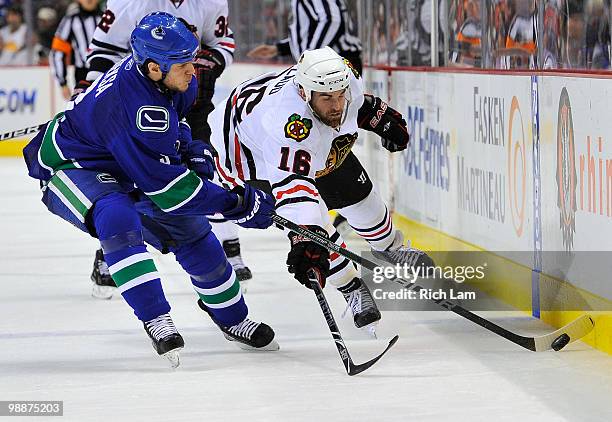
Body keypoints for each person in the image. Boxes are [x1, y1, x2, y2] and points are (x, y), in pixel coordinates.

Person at [22, 12, 279, 367]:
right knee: (117, 216)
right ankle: (155, 316)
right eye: (183, 65)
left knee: (193, 232)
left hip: (123, 157)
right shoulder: (135, 108)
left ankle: (234, 318)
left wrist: (192, 147)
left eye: (192, 60)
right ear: (153, 68)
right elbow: (171, 191)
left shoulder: (171, 77)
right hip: (73, 165)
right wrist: (236, 205)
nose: (193, 71)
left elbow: (178, 120)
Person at [208, 47, 435, 333]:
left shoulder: (342, 78)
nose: (337, 105)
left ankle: (391, 249)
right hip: (251, 157)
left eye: (340, 95)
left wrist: (378, 117)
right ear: (305, 93)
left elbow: (356, 104)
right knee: (316, 229)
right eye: (327, 98)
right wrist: (305, 236)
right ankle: (351, 288)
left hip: (311, 137)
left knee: (362, 200)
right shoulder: (288, 124)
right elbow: (296, 191)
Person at [78, 0, 253, 298]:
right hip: (136, 105)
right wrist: (91, 96)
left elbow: (222, 41)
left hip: (190, 99)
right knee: (125, 179)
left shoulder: (211, 2)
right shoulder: (130, 2)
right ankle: (109, 251)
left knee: (207, 167)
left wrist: (209, 63)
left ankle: (228, 246)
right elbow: (104, 49)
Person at [247, 0, 362, 234]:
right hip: (322, 73)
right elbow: (315, 28)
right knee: (317, 140)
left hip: (333, 73)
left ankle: (352, 206)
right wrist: (283, 49)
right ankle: (336, 205)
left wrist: (309, 61)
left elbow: (332, 20)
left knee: (337, 137)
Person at [50, 0, 103, 100]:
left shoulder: (108, 17)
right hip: (82, 74)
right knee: (84, 111)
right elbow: (58, 51)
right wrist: (63, 83)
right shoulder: (71, 19)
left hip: (107, 71)